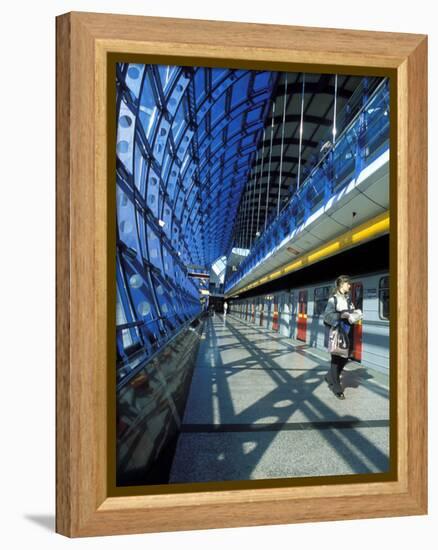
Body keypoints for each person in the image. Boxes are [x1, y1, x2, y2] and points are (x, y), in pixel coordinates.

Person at [323, 275, 356, 400]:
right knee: (336, 360)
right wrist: (342, 315)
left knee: (345, 357)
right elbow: (327, 316)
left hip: (347, 332)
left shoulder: (348, 299)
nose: (349, 286)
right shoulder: (333, 299)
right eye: (348, 284)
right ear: (342, 285)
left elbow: (350, 312)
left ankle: (329, 376)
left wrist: (355, 314)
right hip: (337, 332)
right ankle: (337, 389)